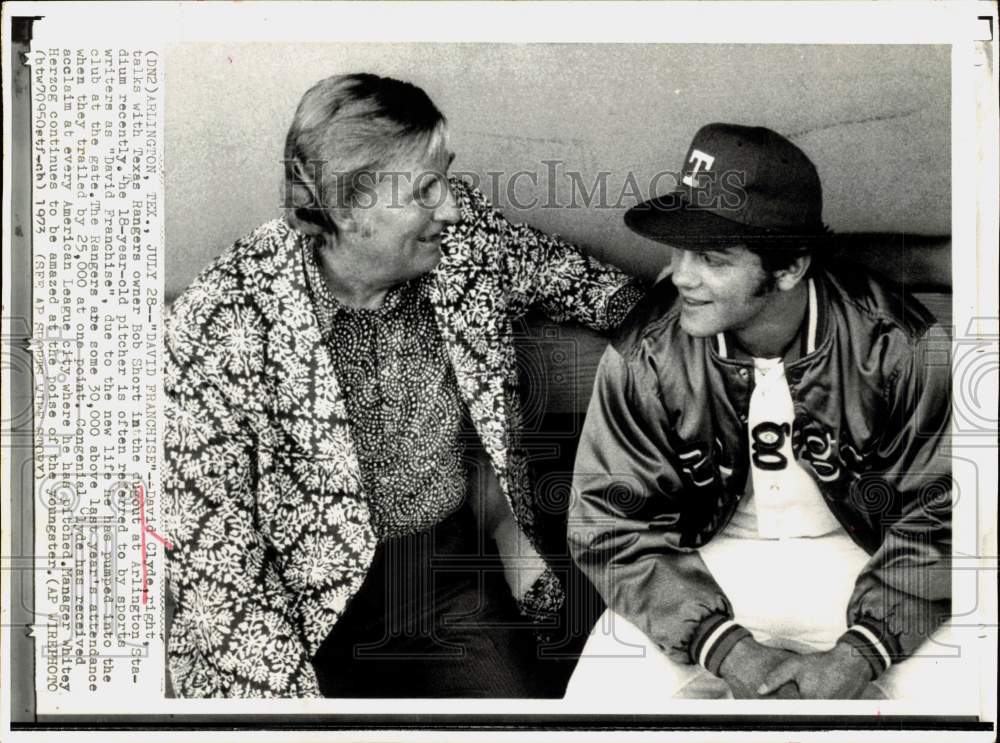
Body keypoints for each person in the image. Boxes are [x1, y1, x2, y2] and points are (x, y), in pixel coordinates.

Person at [164, 73, 644, 698]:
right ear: (342, 207)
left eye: (444, 176)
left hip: (443, 576)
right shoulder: (219, 321)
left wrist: (700, 334)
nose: (450, 205)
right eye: (424, 189)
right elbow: (218, 574)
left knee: (525, 726)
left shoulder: (463, 236)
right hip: (303, 614)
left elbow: (582, 285)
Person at [567, 124, 957, 702]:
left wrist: (862, 653)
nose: (680, 275)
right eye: (678, 249)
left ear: (790, 268)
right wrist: (724, 648)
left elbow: (939, 514)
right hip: (704, 563)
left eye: (713, 258)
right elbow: (607, 521)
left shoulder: (895, 342)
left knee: (968, 703)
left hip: (863, 558)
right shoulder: (646, 351)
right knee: (591, 713)